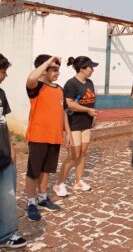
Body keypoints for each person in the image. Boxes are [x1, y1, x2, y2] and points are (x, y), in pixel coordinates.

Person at [25, 55, 71, 221]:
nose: (58, 73)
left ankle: (42, 198)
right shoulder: (36, 87)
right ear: (44, 70)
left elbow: (63, 112)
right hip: (38, 136)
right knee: (33, 172)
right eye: (54, 69)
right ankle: (31, 202)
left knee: (46, 170)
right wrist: (47, 62)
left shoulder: (59, 89)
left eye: (58, 70)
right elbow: (31, 78)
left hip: (54, 137)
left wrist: (68, 132)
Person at [53, 56, 98, 197]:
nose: (92, 70)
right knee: (74, 155)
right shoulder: (71, 84)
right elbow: (69, 104)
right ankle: (59, 184)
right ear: (82, 68)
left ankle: (78, 181)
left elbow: (91, 101)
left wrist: (93, 114)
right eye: (90, 67)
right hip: (74, 124)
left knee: (83, 153)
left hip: (86, 123)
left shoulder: (90, 83)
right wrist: (87, 110)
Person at [0, 54, 27, 249]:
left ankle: (6, 234)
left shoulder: (1, 93)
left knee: (8, 197)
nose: (5, 75)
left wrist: (11, 148)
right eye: (3, 71)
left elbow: (4, 123)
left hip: (3, 156)